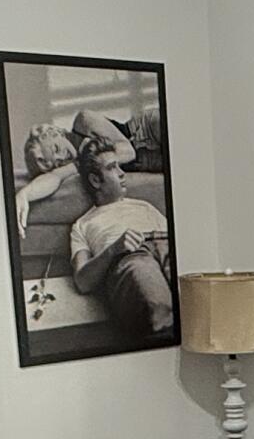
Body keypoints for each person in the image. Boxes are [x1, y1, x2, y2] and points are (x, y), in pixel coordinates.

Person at [64, 140, 175, 339]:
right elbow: (82, 281)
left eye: (119, 166)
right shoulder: (82, 224)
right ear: (95, 180)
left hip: (167, 243)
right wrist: (114, 249)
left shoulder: (144, 206)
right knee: (159, 310)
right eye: (112, 168)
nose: (122, 173)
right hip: (132, 256)